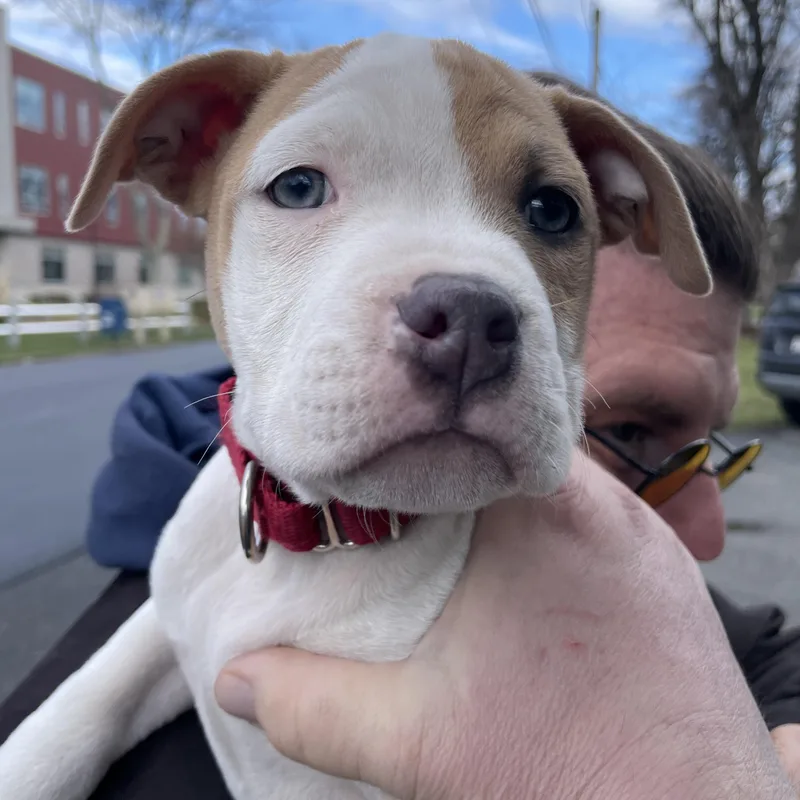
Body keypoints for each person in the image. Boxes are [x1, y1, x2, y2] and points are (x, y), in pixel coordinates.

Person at [1, 76, 797, 797]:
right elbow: (173, 617)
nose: (464, 307)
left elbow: (763, 653)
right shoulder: (202, 534)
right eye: (302, 186)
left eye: (548, 212)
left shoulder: (629, 593)